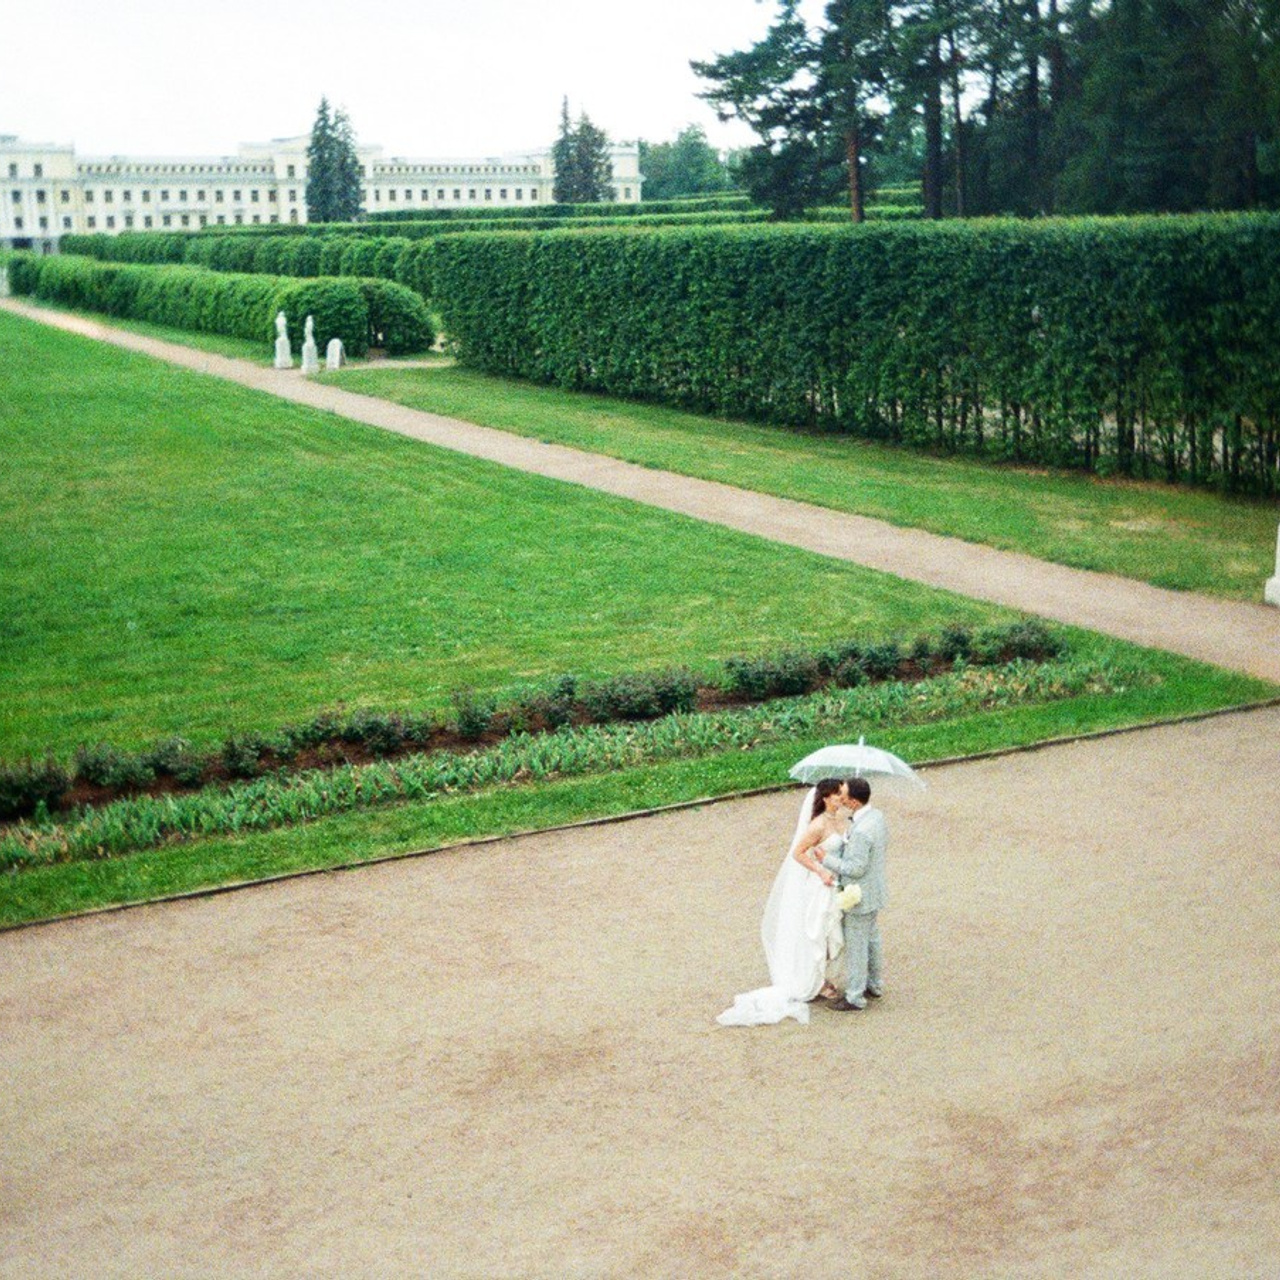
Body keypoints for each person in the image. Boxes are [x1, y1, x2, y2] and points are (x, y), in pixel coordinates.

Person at [717, 779, 849, 1027]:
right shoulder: (817, 825)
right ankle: (815, 980)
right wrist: (820, 871)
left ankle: (821, 975)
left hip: (837, 880)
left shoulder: (842, 819)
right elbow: (798, 853)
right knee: (817, 931)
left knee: (831, 932)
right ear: (825, 798)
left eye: (842, 794)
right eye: (837, 794)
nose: (842, 798)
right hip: (821, 884)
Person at [820, 776, 888, 1011]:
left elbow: (855, 869)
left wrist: (826, 859)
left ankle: (855, 996)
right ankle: (875, 984)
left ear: (854, 801)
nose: (841, 798)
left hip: (859, 896)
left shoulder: (861, 830)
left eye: (845, 794)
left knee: (857, 947)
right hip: (874, 891)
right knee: (872, 940)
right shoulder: (875, 817)